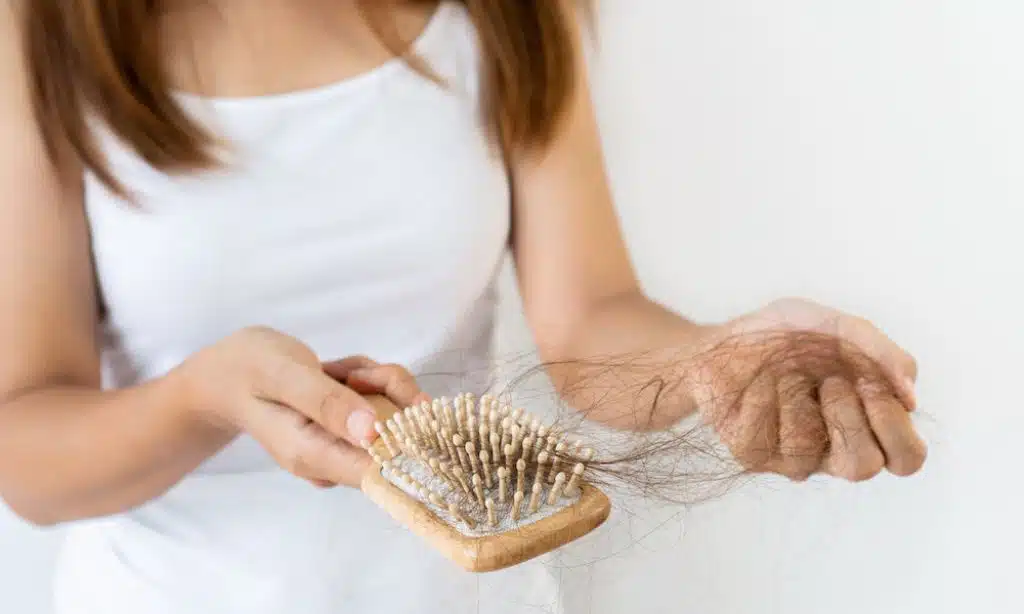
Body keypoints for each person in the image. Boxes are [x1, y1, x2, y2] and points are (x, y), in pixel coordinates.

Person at [0, 1, 926, 613]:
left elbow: (592, 316)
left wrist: (721, 356)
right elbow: (26, 458)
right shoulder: (41, 32)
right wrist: (203, 397)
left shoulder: (508, 14)